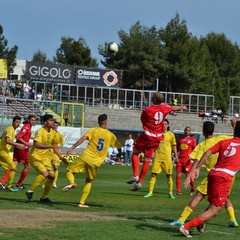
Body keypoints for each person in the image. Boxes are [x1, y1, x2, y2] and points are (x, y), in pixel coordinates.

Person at [179, 118, 240, 238]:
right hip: (224, 177)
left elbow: (207, 152)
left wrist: (197, 169)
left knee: (213, 204)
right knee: (216, 209)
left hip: (213, 174)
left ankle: (201, 223)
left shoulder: (225, 142)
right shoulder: (225, 138)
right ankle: (186, 227)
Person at [127, 92, 187, 191]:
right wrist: (181, 107)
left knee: (135, 153)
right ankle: (139, 183)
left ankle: (135, 175)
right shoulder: (164, 107)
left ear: (154, 99)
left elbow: (142, 119)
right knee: (147, 159)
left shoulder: (147, 110)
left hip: (147, 135)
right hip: (158, 138)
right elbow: (172, 107)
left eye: (153, 96)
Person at [62, 114, 121, 208]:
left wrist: (72, 147)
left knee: (69, 170)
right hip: (96, 161)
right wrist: (120, 155)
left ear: (98, 122)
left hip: (86, 156)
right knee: (89, 180)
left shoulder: (93, 130)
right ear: (106, 122)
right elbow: (118, 146)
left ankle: (71, 182)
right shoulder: (110, 135)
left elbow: (83, 139)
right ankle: (81, 203)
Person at [25, 114, 66, 203]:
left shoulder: (54, 133)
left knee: (52, 176)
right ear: (45, 122)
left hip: (45, 158)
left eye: (53, 120)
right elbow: (37, 145)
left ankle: (44, 197)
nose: (53, 122)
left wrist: (62, 158)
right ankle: (30, 190)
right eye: (50, 120)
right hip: (35, 156)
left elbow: (55, 147)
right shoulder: (40, 131)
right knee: (45, 173)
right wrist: (50, 146)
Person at [144, 118, 178, 199]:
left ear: (168, 125)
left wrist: (176, 156)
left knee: (169, 175)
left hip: (167, 158)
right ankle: (150, 192)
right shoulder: (157, 134)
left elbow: (174, 146)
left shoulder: (171, 135)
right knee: (153, 174)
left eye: (166, 124)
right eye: (163, 124)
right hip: (157, 157)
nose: (164, 125)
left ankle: (170, 193)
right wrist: (151, 152)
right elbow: (152, 144)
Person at [1, 115, 36, 189]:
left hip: (11, 149)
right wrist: (25, 144)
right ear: (29, 120)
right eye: (32, 120)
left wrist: (34, 138)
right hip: (19, 149)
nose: (33, 121)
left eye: (34, 120)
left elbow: (19, 136)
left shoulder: (18, 128)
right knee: (26, 166)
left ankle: (3, 182)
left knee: (14, 165)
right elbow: (18, 137)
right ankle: (17, 184)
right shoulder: (26, 127)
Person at [0, 116, 25, 192]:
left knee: (8, 167)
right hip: (2, 151)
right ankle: (9, 186)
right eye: (16, 122)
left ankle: (2, 183)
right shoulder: (10, 129)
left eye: (19, 122)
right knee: (13, 166)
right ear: (13, 122)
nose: (18, 124)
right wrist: (18, 145)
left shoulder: (12, 129)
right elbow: (8, 141)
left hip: (3, 150)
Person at [176, 126, 196, 195]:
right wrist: (176, 156)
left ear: (190, 132)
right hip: (180, 159)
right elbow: (177, 148)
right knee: (178, 174)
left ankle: (193, 188)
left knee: (188, 175)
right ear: (184, 130)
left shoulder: (192, 140)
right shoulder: (180, 139)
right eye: (186, 130)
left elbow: (195, 150)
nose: (187, 131)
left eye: (188, 130)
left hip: (187, 160)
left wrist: (193, 158)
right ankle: (178, 190)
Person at [51, 119, 64, 188]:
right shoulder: (50, 133)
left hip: (56, 153)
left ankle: (54, 182)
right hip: (48, 152)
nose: (55, 126)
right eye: (54, 125)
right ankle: (47, 181)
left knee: (55, 168)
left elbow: (61, 143)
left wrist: (59, 147)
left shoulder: (59, 134)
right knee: (48, 168)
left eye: (56, 125)